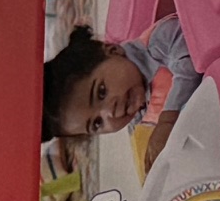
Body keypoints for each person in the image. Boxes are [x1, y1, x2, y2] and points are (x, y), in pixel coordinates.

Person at [45, 18, 198, 172]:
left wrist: (168, 120)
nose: (110, 113)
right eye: (97, 123)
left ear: (113, 51)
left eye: (101, 92)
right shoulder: (140, 121)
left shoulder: (158, 42)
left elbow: (195, 52)